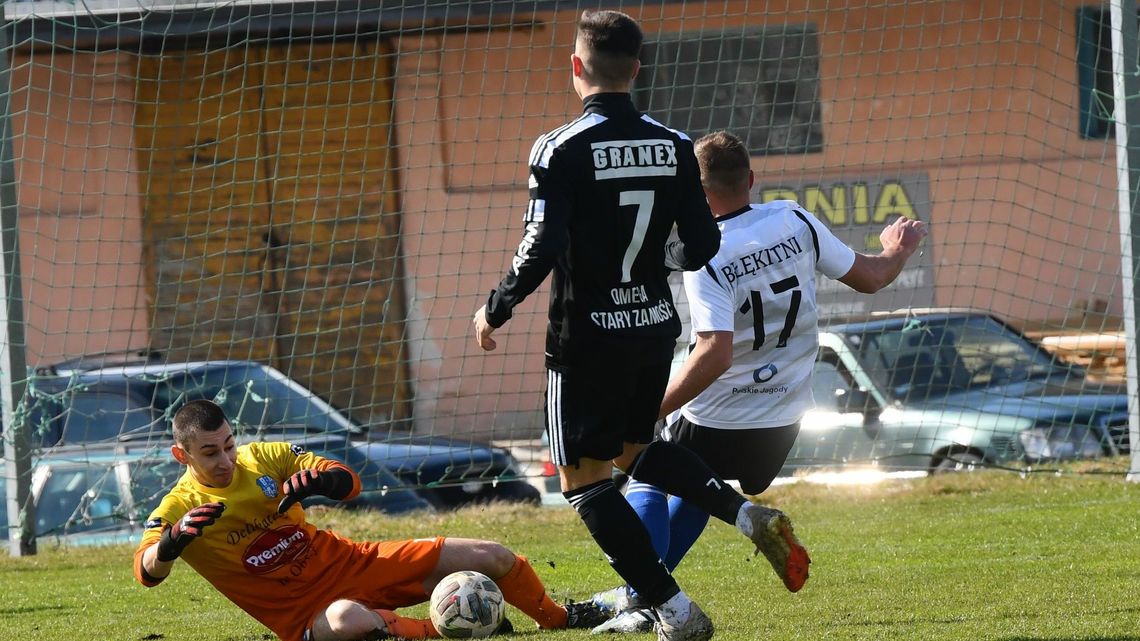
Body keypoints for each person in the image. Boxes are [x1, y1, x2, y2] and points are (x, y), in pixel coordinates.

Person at [473, 11, 809, 641]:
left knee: (583, 481)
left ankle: (673, 611)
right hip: (654, 326)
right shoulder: (677, 146)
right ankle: (744, 515)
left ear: (577, 68)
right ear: (637, 68)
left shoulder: (559, 148)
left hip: (587, 339)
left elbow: (541, 243)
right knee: (634, 453)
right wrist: (658, 262)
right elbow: (704, 239)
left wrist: (495, 306)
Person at [593, 130, 930, 633]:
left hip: (718, 416)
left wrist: (652, 411)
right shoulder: (794, 218)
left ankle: (646, 598)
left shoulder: (704, 252)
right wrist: (896, 249)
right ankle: (644, 597)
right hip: (782, 426)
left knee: (641, 466)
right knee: (701, 486)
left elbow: (715, 352)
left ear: (696, 191)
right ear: (750, 179)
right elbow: (872, 277)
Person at [132, 399, 609, 641]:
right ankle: (454, 629)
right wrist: (171, 544)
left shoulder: (264, 458)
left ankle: (560, 618)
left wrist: (322, 481)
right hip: (305, 616)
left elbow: (346, 479)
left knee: (489, 555)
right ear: (182, 454)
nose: (226, 459)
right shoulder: (179, 507)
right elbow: (146, 570)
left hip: (354, 563)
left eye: (229, 444)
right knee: (347, 619)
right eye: (210, 453)